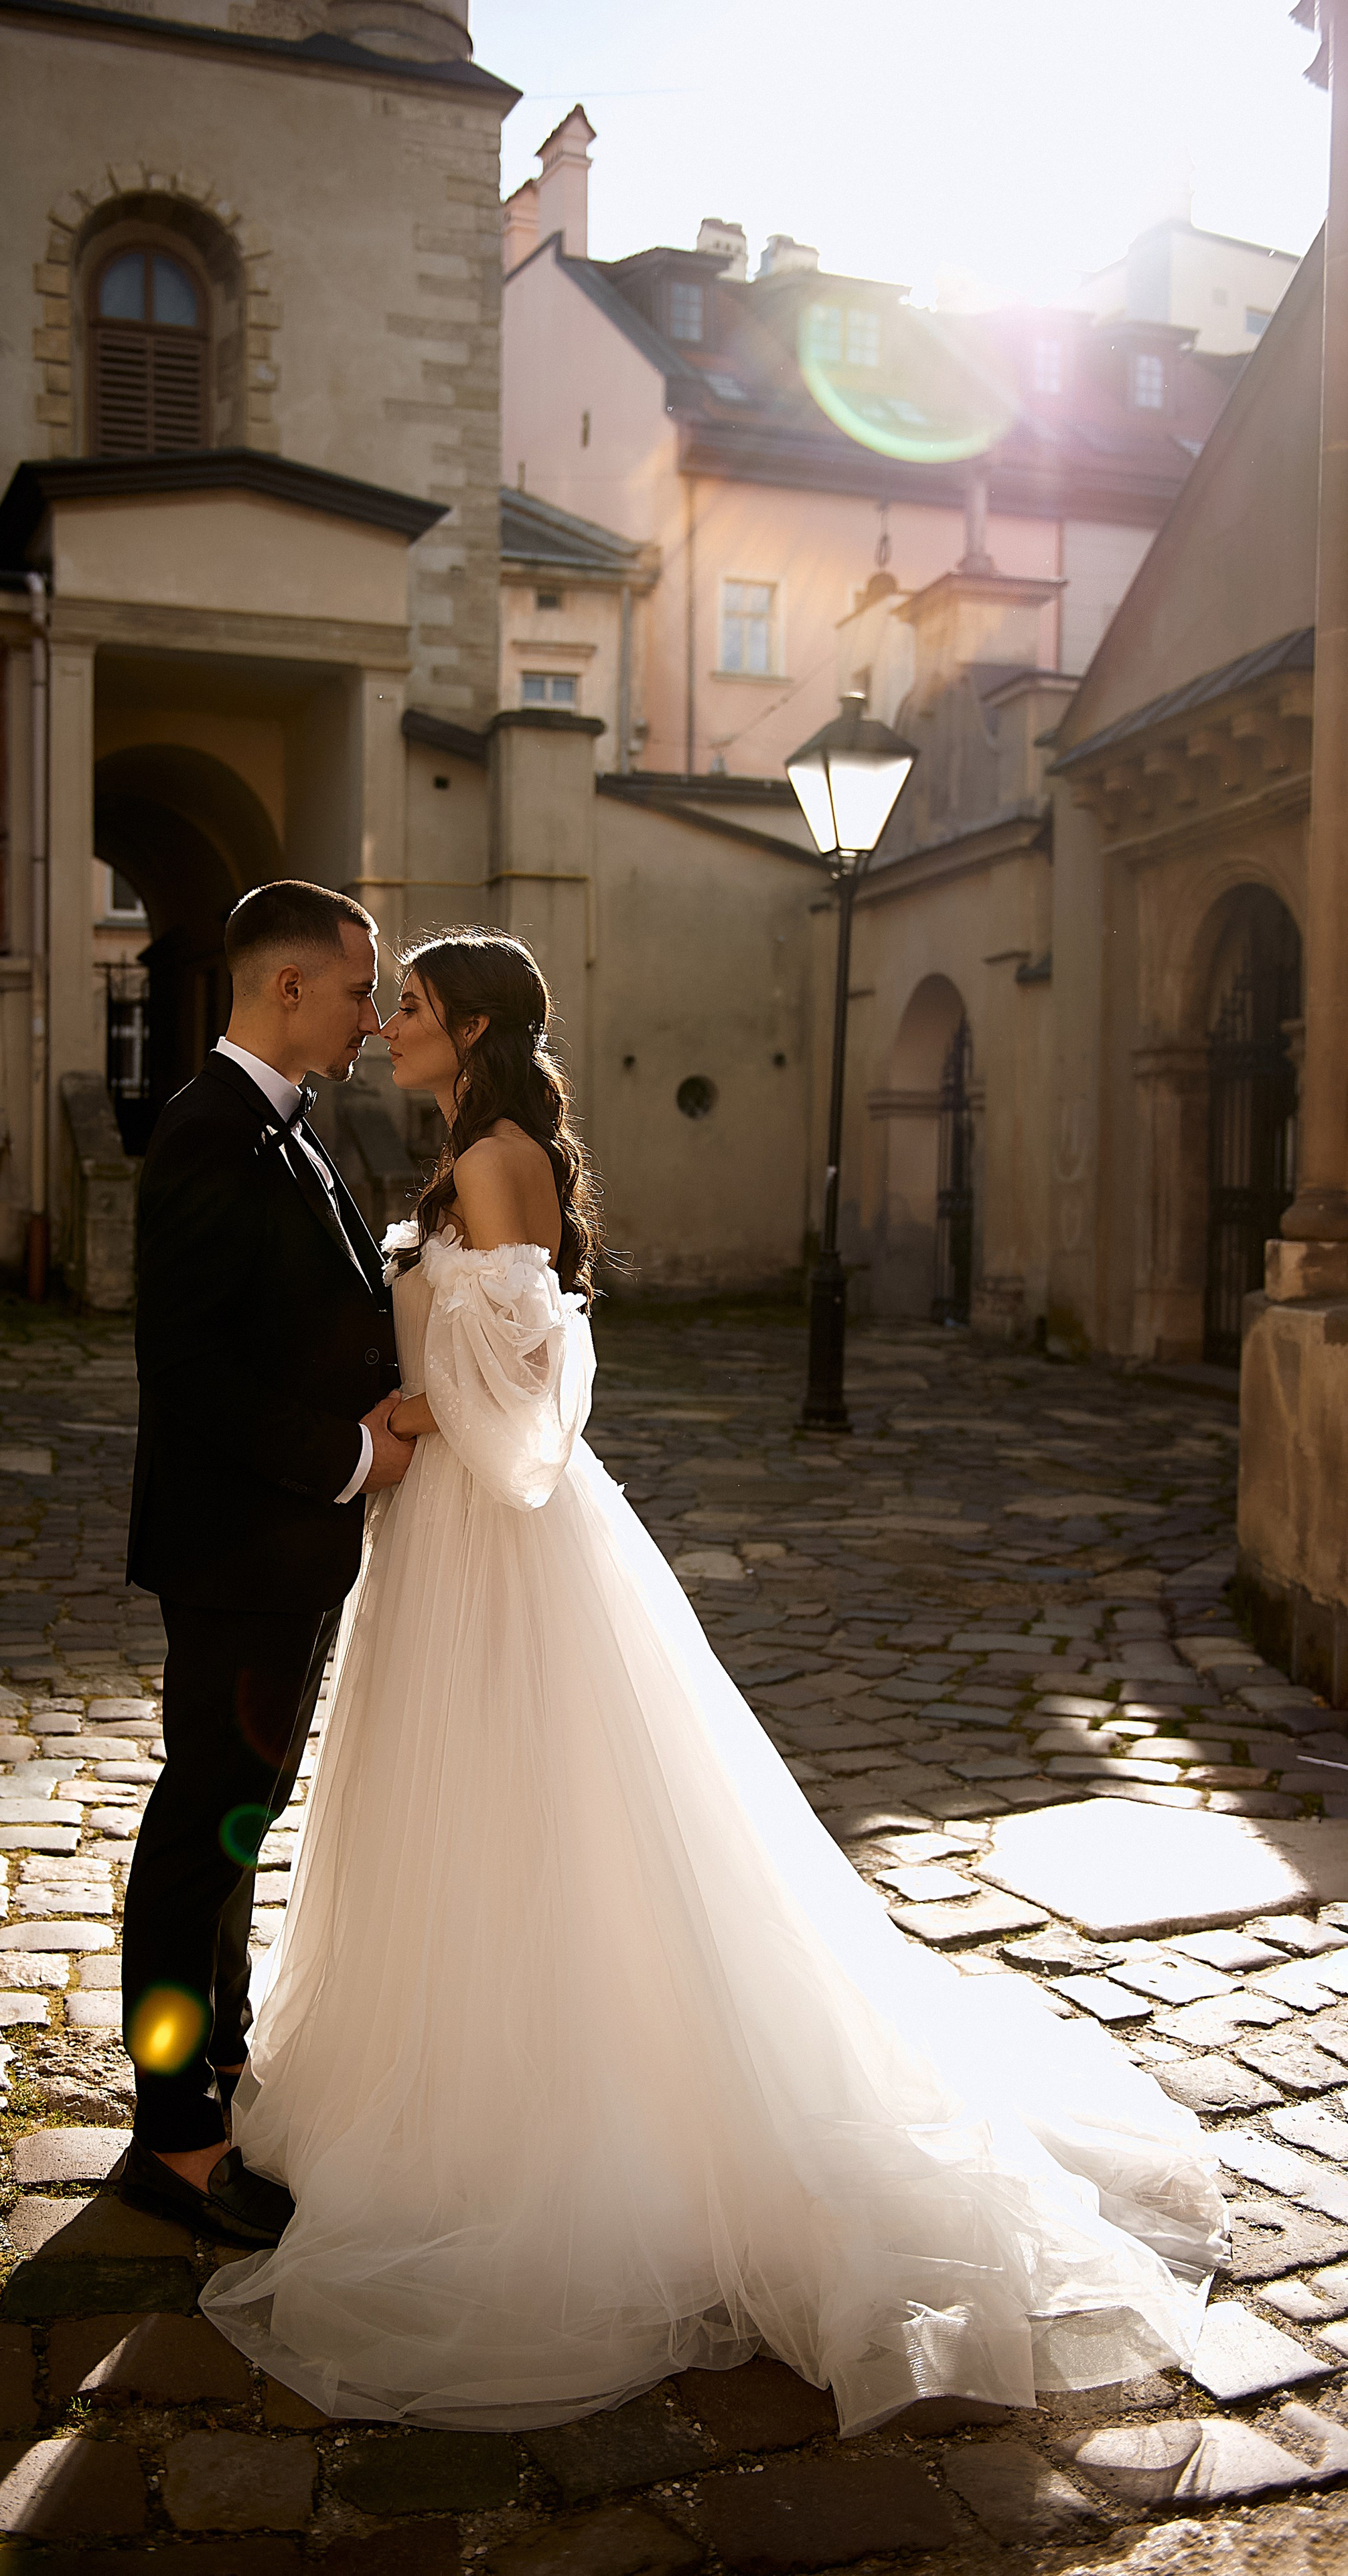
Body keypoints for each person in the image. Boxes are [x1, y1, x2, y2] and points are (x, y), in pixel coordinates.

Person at [201, 924, 1226, 2433]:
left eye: (406, 1004)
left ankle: (534, 2123)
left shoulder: (495, 1161)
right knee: (469, 1815)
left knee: (532, 1810)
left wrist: (409, 1407)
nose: (388, 1022)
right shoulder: (468, 1153)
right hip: (444, 1541)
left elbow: (530, 1396)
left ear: (470, 1026)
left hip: (494, 1538)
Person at [114, 881, 415, 2246]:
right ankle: (173, 2140)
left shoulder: (287, 1127)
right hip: (238, 1551)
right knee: (201, 1830)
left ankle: (218, 2071)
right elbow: (189, 1376)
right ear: (286, 987)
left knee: (239, 1819)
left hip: (282, 1558)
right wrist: (350, 1457)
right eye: (359, 988)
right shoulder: (206, 1132)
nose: (373, 1012)